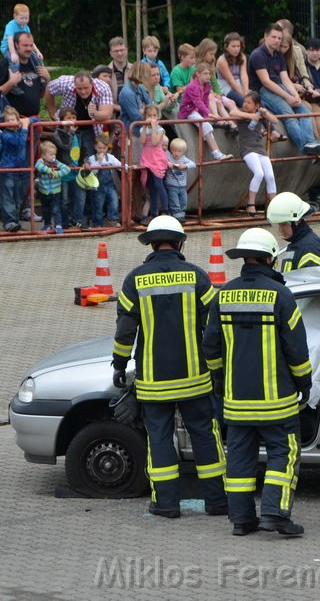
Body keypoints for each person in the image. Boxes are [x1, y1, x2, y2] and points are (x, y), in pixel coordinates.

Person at [110, 215, 227, 519]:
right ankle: (216, 502)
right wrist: (218, 370)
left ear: (150, 243)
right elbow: (214, 329)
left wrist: (119, 365)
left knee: (160, 440)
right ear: (179, 243)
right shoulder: (198, 277)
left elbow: (125, 332)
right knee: (205, 437)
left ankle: (166, 504)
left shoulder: (134, 280)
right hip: (195, 380)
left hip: (153, 382)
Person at [202, 227, 312, 537]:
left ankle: (241, 520)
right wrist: (304, 382)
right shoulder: (280, 295)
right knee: (283, 453)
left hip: (237, 401)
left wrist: (222, 382)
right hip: (277, 401)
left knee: (239, 459)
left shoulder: (223, 295)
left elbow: (210, 348)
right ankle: (275, 515)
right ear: (270, 259)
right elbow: (297, 348)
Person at [247, 23, 320, 155]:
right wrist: (287, 97)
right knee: (289, 115)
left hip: (279, 86)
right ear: (266, 37)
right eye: (273, 37)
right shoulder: (258, 55)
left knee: (305, 112)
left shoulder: (278, 56)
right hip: (263, 91)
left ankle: (310, 143)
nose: (277, 40)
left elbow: (285, 78)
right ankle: (304, 147)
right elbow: (266, 82)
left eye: (279, 38)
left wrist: (295, 95)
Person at [229, 90, 280, 216]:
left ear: (256, 105)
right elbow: (232, 112)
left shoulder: (259, 114)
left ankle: (274, 205)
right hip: (247, 149)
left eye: (249, 103)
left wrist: (264, 113)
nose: (245, 104)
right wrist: (250, 116)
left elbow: (275, 121)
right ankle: (251, 204)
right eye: (244, 101)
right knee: (259, 173)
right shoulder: (242, 113)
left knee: (270, 176)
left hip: (259, 149)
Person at [178, 62, 233, 161]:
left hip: (196, 110)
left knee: (207, 125)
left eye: (209, 74)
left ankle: (217, 152)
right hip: (188, 111)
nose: (208, 76)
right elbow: (198, 102)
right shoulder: (192, 86)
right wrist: (209, 114)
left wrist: (206, 115)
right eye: (205, 73)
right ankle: (217, 154)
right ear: (198, 74)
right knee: (206, 125)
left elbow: (205, 101)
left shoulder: (207, 86)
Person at [267, 191, 320, 272]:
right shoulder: (297, 243)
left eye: (284, 224)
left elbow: (311, 282)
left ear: (297, 222)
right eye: (278, 225)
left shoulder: (309, 248)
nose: (280, 229)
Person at [0, 32, 50, 116]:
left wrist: (47, 79)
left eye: (31, 45)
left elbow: (41, 95)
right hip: (13, 122)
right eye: (25, 45)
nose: (29, 49)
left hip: (34, 121)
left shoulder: (36, 65)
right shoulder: (5, 65)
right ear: (16, 45)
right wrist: (11, 83)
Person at [0, 107, 32, 233]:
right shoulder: (5, 135)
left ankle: (15, 222)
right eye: (8, 120)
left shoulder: (20, 129)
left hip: (20, 169)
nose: (11, 122)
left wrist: (27, 120)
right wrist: (25, 127)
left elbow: (35, 118)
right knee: (7, 197)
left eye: (13, 119)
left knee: (18, 197)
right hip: (7, 169)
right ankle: (9, 222)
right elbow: (20, 142)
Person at [139, 104, 169, 223]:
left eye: (154, 116)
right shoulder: (142, 129)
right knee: (151, 187)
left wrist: (154, 128)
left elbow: (156, 141)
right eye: (149, 115)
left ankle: (166, 211)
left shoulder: (160, 130)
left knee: (158, 184)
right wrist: (146, 128)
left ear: (158, 117)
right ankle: (153, 213)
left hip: (157, 158)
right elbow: (142, 141)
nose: (151, 118)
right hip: (147, 158)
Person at [0, 3, 44, 81]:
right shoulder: (10, 25)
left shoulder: (26, 27)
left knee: (36, 58)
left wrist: (37, 52)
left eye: (26, 18)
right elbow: (10, 40)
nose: (24, 20)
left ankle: (40, 78)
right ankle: (13, 81)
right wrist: (13, 53)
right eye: (21, 18)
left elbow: (31, 42)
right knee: (15, 62)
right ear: (15, 16)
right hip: (8, 48)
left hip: (19, 48)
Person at [34, 140, 70, 234]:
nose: (53, 156)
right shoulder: (40, 162)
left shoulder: (56, 163)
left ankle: (58, 225)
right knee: (45, 209)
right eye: (51, 154)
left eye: (54, 154)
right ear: (43, 155)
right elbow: (38, 166)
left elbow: (67, 169)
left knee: (56, 209)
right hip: (43, 191)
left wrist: (57, 173)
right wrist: (49, 171)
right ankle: (47, 224)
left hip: (55, 191)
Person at [163, 138, 193, 222]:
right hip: (171, 184)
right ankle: (176, 215)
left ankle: (182, 214)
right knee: (174, 201)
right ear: (171, 150)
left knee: (184, 200)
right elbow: (162, 159)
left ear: (183, 152)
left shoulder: (183, 159)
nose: (176, 153)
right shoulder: (168, 156)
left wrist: (185, 166)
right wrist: (168, 164)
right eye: (175, 150)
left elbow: (193, 164)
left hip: (182, 185)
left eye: (179, 151)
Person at [216, 32, 249, 107]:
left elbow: (244, 75)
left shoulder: (242, 57)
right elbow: (231, 82)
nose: (236, 49)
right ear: (226, 47)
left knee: (256, 99)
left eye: (238, 46)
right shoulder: (222, 60)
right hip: (226, 87)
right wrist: (244, 96)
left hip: (239, 84)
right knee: (244, 102)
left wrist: (246, 91)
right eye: (233, 46)